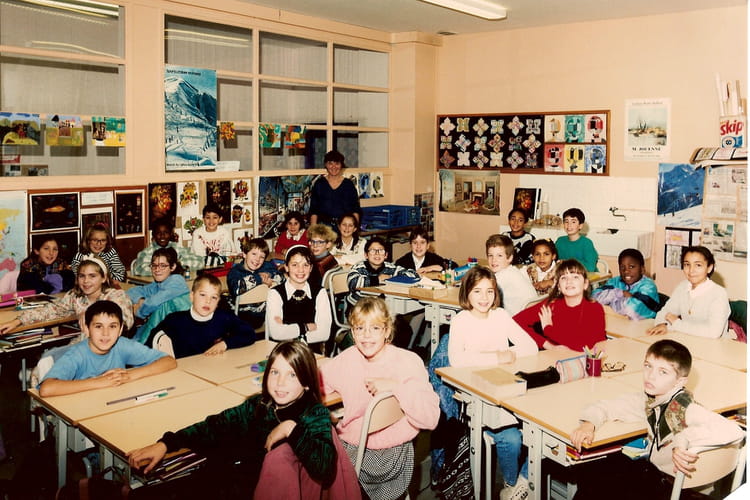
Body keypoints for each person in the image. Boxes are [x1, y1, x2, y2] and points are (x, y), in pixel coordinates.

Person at [127, 341, 339, 498]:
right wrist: (166, 443)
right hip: (234, 481)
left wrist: (290, 428)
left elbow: (325, 468)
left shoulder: (314, 414)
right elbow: (215, 426)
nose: (280, 382)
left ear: (307, 382)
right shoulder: (259, 405)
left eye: (292, 375)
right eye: (275, 372)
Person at [569, 340, 744, 500]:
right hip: (659, 479)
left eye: (663, 372)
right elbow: (607, 407)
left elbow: (734, 430)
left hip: (669, 488)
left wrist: (683, 440)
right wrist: (588, 424)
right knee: (596, 470)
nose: (650, 376)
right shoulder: (652, 399)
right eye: (648, 366)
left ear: (680, 382)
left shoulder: (686, 408)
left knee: (596, 476)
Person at [320, 296, 440, 500]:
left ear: (387, 330)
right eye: (360, 328)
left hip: (361, 458)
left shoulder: (351, 359)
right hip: (398, 463)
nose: (366, 335)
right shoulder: (409, 361)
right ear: (352, 332)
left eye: (375, 328)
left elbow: (431, 418)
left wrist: (394, 387)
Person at [447, 266, 538, 500]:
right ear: (467, 293)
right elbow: (457, 360)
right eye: (477, 291)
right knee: (512, 438)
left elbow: (531, 347)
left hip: (506, 387)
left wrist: (508, 354)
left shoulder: (500, 316)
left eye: (490, 291)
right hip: (477, 393)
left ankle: (519, 485)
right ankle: (511, 484)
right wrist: (497, 356)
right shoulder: (461, 320)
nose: (484, 298)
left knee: (545, 427)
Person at [38, 300, 176, 397]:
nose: (106, 333)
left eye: (112, 326)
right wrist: (99, 382)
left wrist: (129, 376)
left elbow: (169, 361)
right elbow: (46, 388)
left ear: (120, 330)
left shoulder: (121, 345)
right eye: (98, 326)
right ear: (87, 329)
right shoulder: (77, 355)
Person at [0, 257, 133, 335]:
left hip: (111, 348)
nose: (86, 281)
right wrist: (17, 321)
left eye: (92, 276)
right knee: (47, 360)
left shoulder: (116, 296)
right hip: (85, 345)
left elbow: (126, 322)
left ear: (104, 278)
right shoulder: (76, 297)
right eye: (82, 276)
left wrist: (92, 316)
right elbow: (51, 310)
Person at [147, 274, 255, 358]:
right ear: (192, 296)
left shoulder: (223, 317)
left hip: (214, 370)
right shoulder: (175, 320)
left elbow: (249, 333)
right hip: (183, 373)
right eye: (203, 295)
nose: (208, 301)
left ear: (218, 301)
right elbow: (151, 341)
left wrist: (225, 344)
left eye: (213, 297)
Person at [513, 259, 606, 352]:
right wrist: (548, 346)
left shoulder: (595, 308)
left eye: (575, 277)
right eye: (564, 278)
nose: (569, 281)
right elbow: (516, 322)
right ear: (558, 286)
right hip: (554, 357)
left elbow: (584, 346)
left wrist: (548, 329)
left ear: (585, 284)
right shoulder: (551, 305)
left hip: (585, 358)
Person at [647, 246, 730, 338]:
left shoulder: (719, 293)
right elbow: (666, 311)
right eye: (687, 264)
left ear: (709, 268)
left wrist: (676, 323)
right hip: (687, 338)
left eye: (698, 265)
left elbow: (713, 332)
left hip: (713, 344)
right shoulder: (683, 286)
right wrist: (662, 324)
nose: (691, 270)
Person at [265, 246, 332, 344]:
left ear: (311, 268)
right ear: (286, 267)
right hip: (284, 349)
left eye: (306, 265)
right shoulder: (275, 293)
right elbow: (276, 333)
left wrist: (293, 335)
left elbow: (324, 333)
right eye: (295, 265)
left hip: (311, 350)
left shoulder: (320, 292)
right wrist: (305, 327)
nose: (301, 270)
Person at [346, 237, 419, 307]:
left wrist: (393, 279)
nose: (377, 254)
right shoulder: (359, 267)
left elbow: (413, 274)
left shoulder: (390, 267)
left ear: (386, 255)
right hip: (358, 307)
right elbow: (352, 282)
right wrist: (377, 280)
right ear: (366, 255)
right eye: (372, 251)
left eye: (381, 250)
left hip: (380, 307)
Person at [227, 238, 281, 330]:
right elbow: (237, 288)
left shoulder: (267, 266)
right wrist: (259, 278)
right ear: (244, 254)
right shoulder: (235, 272)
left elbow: (281, 277)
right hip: (246, 317)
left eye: (262, 257)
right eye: (254, 254)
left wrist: (269, 275)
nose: (257, 259)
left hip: (255, 318)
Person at [593, 248, 660, 320]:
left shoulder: (649, 286)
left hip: (643, 325)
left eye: (631, 267)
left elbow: (630, 310)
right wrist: (620, 293)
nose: (626, 271)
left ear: (642, 269)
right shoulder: (615, 281)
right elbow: (593, 298)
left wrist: (608, 304)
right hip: (617, 322)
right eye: (622, 267)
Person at [126, 248, 190, 320]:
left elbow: (152, 303)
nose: (157, 269)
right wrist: (141, 299)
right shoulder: (158, 283)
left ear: (172, 267)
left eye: (162, 266)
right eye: (154, 265)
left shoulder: (177, 282)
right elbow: (131, 292)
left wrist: (138, 312)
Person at [131, 218, 204, 276]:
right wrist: (167, 270)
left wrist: (179, 265)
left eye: (166, 233)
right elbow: (139, 269)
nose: (162, 236)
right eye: (158, 233)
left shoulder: (176, 247)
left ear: (171, 234)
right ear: (153, 235)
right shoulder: (147, 252)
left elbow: (199, 262)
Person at [309, 150, 362, 229]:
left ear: (341, 165)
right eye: (330, 163)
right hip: (324, 228)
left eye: (337, 163)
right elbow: (314, 210)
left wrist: (355, 229)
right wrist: (313, 230)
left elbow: (355, 210)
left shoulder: (348, 185)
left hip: (344, 228)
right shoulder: (319, 184)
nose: (334, 167)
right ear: (326, 165)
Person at [486, 234, 537, 315]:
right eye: (490, 255)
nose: (494, 260)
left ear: (510, 258)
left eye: (499, 256)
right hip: (529, 316)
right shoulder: (513, 271)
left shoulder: (502, 277)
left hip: (516, 319)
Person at [190, 203, 237, 268]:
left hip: (221, 267)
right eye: (208, 217)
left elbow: (231, 253)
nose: (211, 221)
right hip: (202, 267)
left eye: (215, 217)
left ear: (220, 219)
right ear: (203, 219)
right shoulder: (197, 233)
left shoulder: (224, 232)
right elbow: (199, 257)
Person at [554, 207, 598, 272]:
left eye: (573, 222)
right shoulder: (560, 241)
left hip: (587, 275)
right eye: (566, 222)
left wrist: (567, 263)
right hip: (566, 275)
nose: (569, 225)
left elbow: (590, 267)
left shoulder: (587, 243)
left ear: (580, 226)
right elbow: (554, 261)